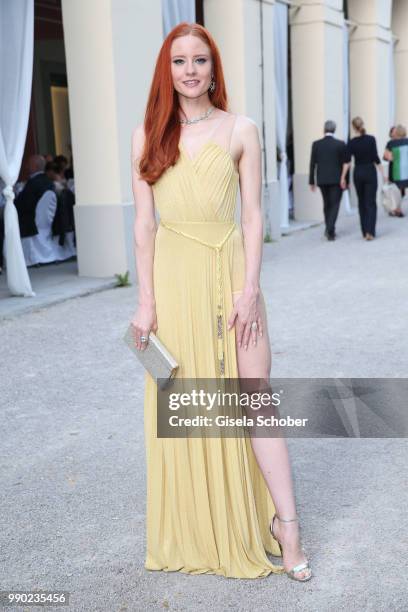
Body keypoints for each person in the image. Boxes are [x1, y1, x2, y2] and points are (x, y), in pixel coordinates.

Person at [130, 22, 312, 582]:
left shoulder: (241, 128)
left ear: (214, 68)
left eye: (200, 61)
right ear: (168, 69)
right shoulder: (146, 134)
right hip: (175, 276)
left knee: (256, 396)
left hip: (232, 273)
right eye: (180, 61)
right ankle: (201, 524)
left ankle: (288, 526)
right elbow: (144, 225)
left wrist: (250, 288)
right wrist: (145, 304)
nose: (190, 71)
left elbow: (254, 216)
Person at [340, 117, 386, 241]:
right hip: (370, 171)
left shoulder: (352, 142)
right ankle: (370, 231)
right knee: (371, 202)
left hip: (358, 172)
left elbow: (347, 162)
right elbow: (375, 158)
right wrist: (383, 174)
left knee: (361, 202)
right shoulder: (371, 139)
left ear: (353, 128)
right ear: (363, 125)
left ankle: (365, 231)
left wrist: (343, 177)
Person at [309, 119, 348, 240]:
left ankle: (329, 228)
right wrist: (345, 179)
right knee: (335, 204)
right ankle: (330, 229)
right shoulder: (340, 144)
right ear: (334, 130)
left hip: (322, 179)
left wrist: (311, 181)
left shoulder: (316, 144)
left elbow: (312, 164)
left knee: (327, 204)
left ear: (324, 129)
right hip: (336, 179)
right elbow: (345, 163)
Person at [15, 155, 55, 238]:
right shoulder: (49, 182)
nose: (26, 167)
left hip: (30, 229)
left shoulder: (33, 184)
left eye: (29, 164)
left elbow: (20, 206)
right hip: (46, 228)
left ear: (34, 166)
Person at [383, 124, 408, 217]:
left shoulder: (391, 143)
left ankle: (397, 209)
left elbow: (386, 157)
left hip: (396, 171)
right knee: (401, 191)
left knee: (395, 191)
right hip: (406, 171)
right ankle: (397, 209)